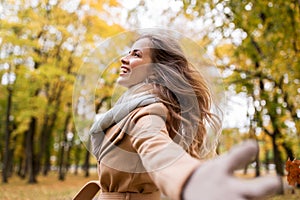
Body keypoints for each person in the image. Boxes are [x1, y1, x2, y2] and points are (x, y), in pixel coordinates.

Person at [81, 31, 282, 200]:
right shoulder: (126, 109)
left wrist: (191, 179)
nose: (124, 58)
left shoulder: (149, 112)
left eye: (136, 54)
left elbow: (158, 151)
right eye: (128, 52)